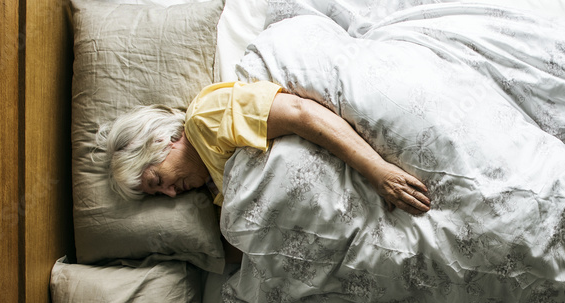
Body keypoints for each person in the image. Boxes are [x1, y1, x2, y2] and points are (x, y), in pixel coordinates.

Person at [96, 80, 431, 215]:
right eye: (158, 195)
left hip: (374, 175)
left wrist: (378, 171)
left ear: (160, 143)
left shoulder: (206, 120)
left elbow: (301, 114)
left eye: (157, 181)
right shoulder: (213, 184)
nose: (171, 194)